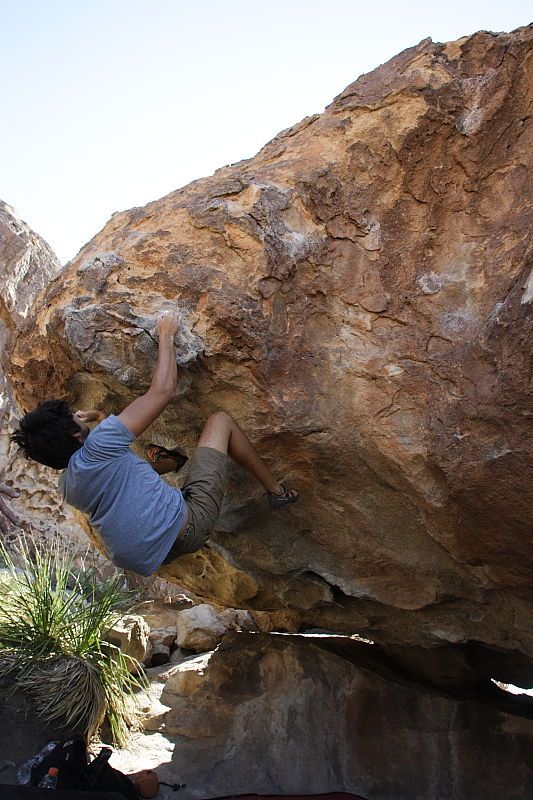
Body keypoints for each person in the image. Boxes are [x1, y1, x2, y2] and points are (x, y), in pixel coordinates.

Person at [10, 310, 298, 576]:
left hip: (150, 558)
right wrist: (165, 333)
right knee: (221, 421)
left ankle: (174, 462)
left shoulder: (68, 487)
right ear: (76, 434)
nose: (76, 413)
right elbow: (163, 391)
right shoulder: (100, 445)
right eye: (73, 416)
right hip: (189, 526)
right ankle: (278, 492)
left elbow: (121, 480)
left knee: (146, 467)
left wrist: (100, 419)